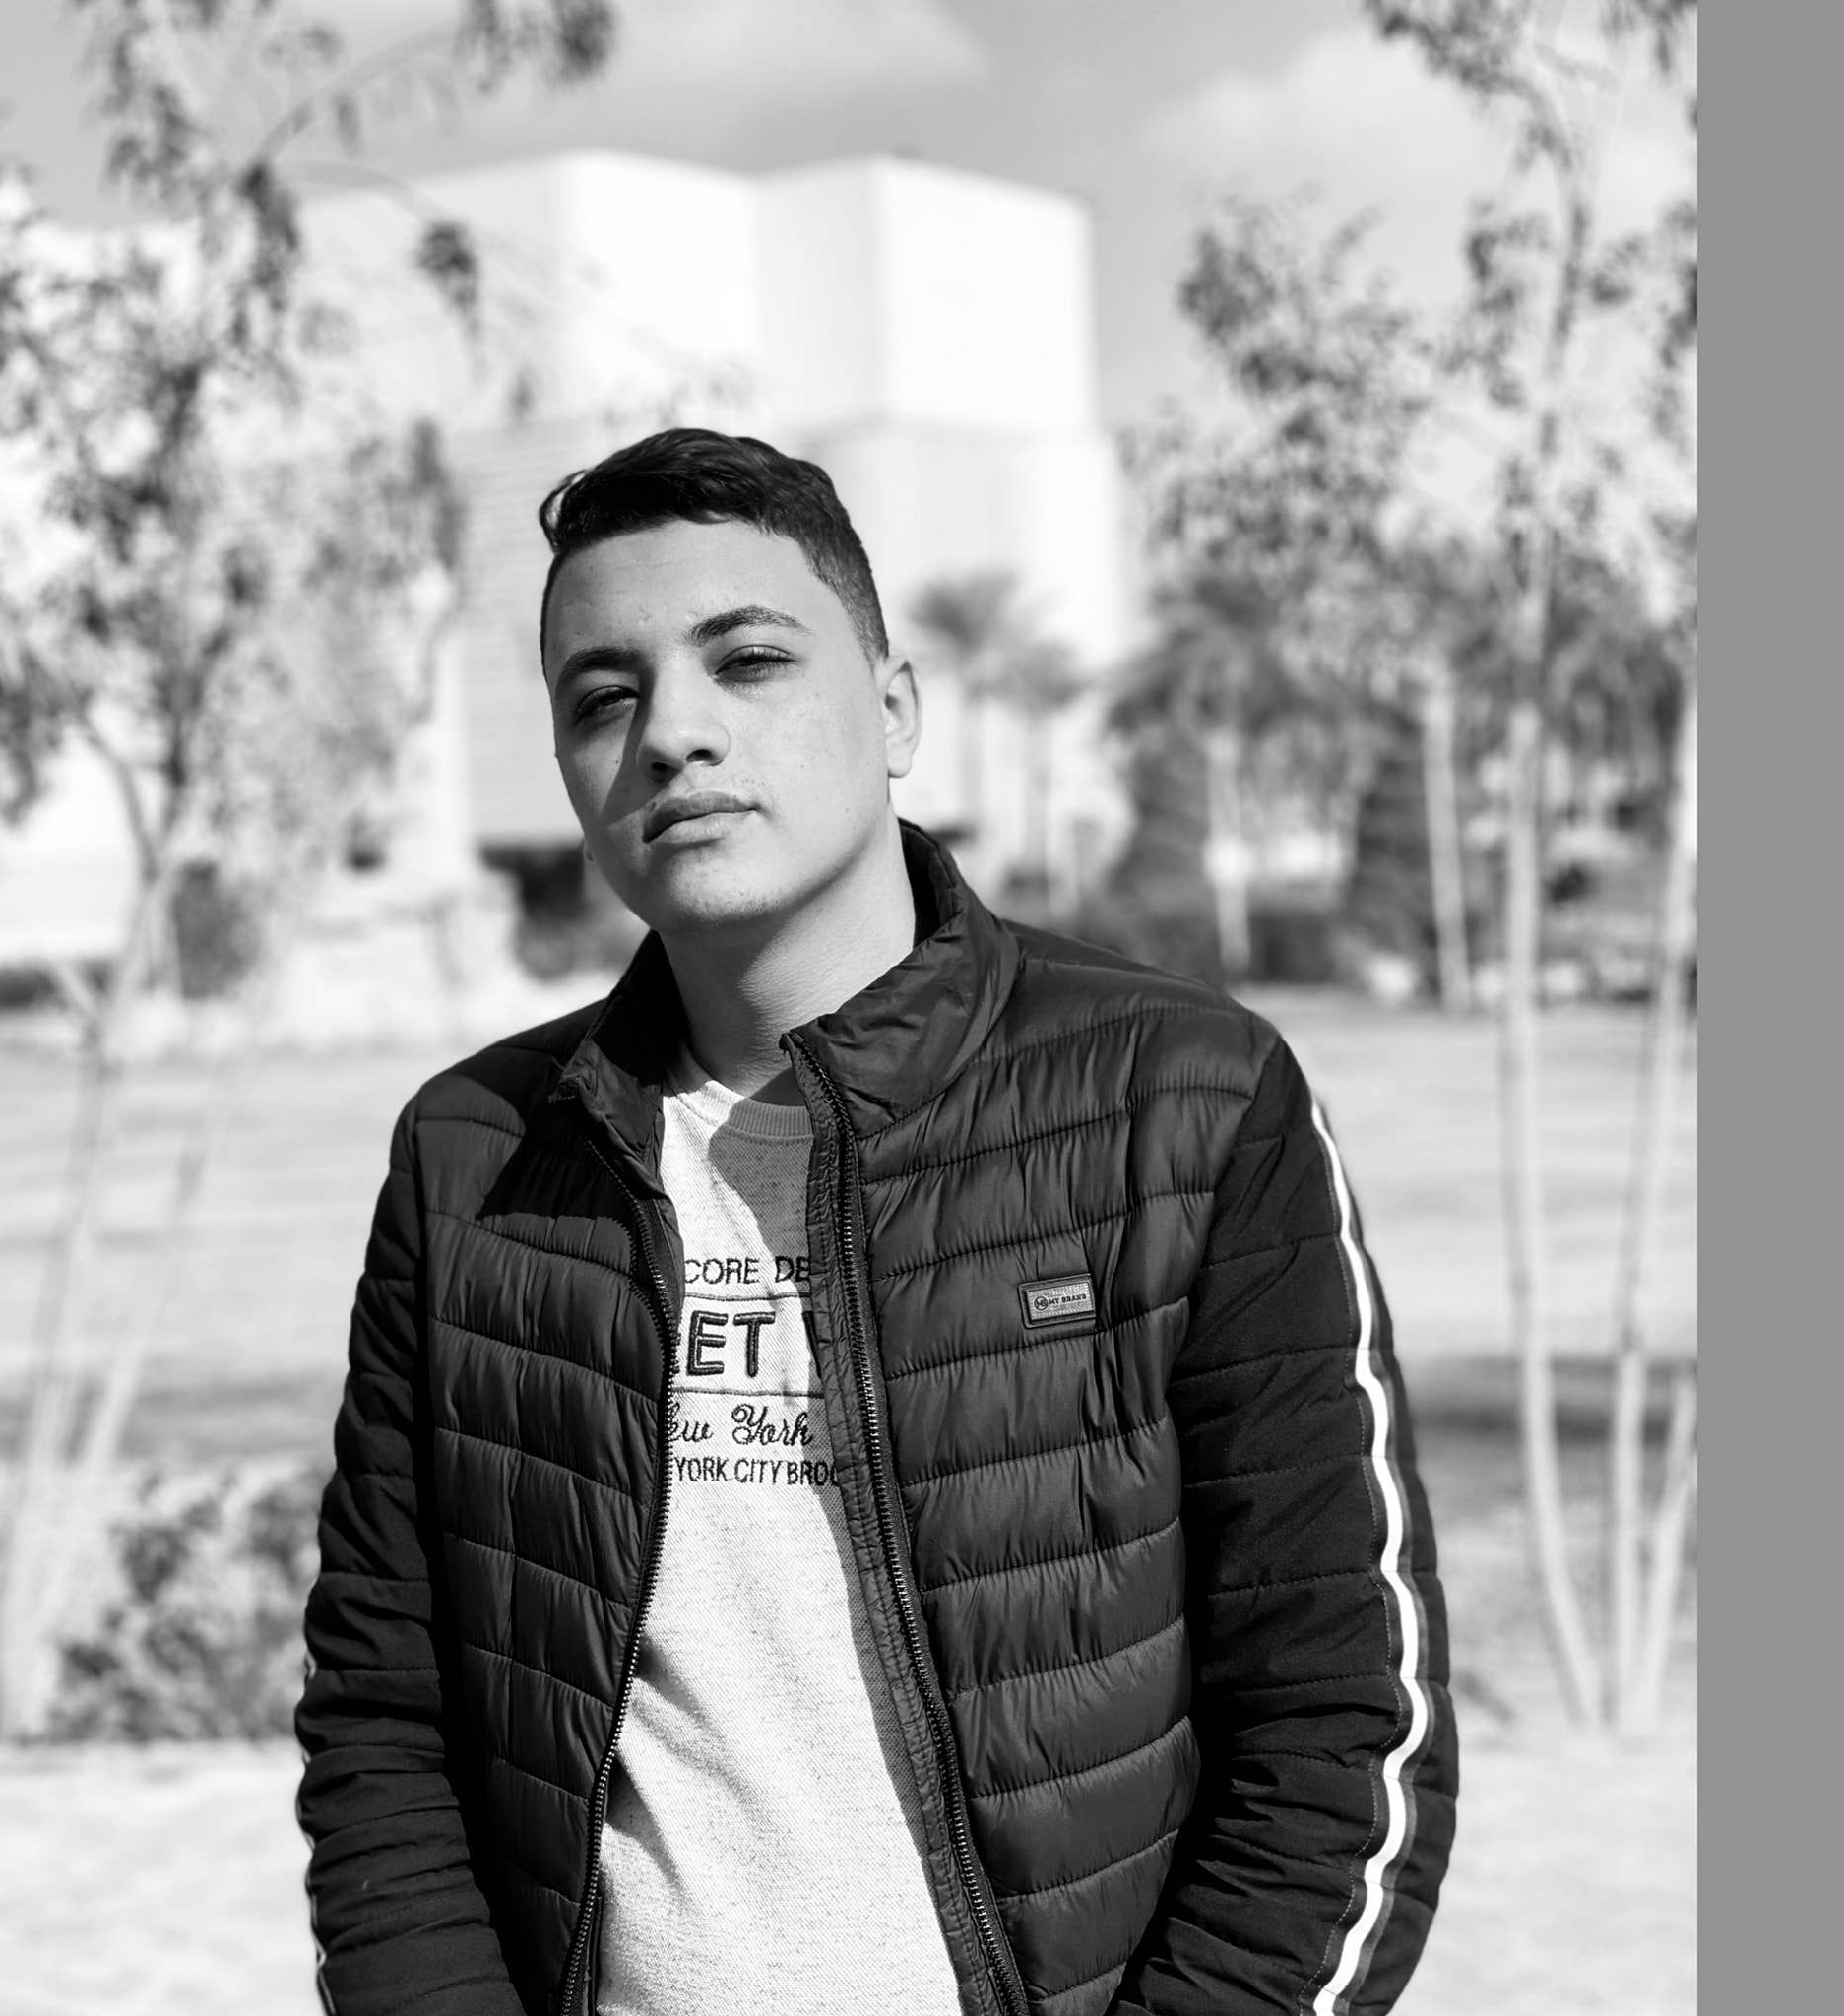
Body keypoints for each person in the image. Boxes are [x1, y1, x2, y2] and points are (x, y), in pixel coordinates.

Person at [296, 428, 1456, 2016]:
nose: (673, 734)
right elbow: (386, 1721)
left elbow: (1344, 1724)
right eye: (604, 696)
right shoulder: (477, 1157)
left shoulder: (1181, 1099)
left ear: (898, 709)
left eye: (749, 660)